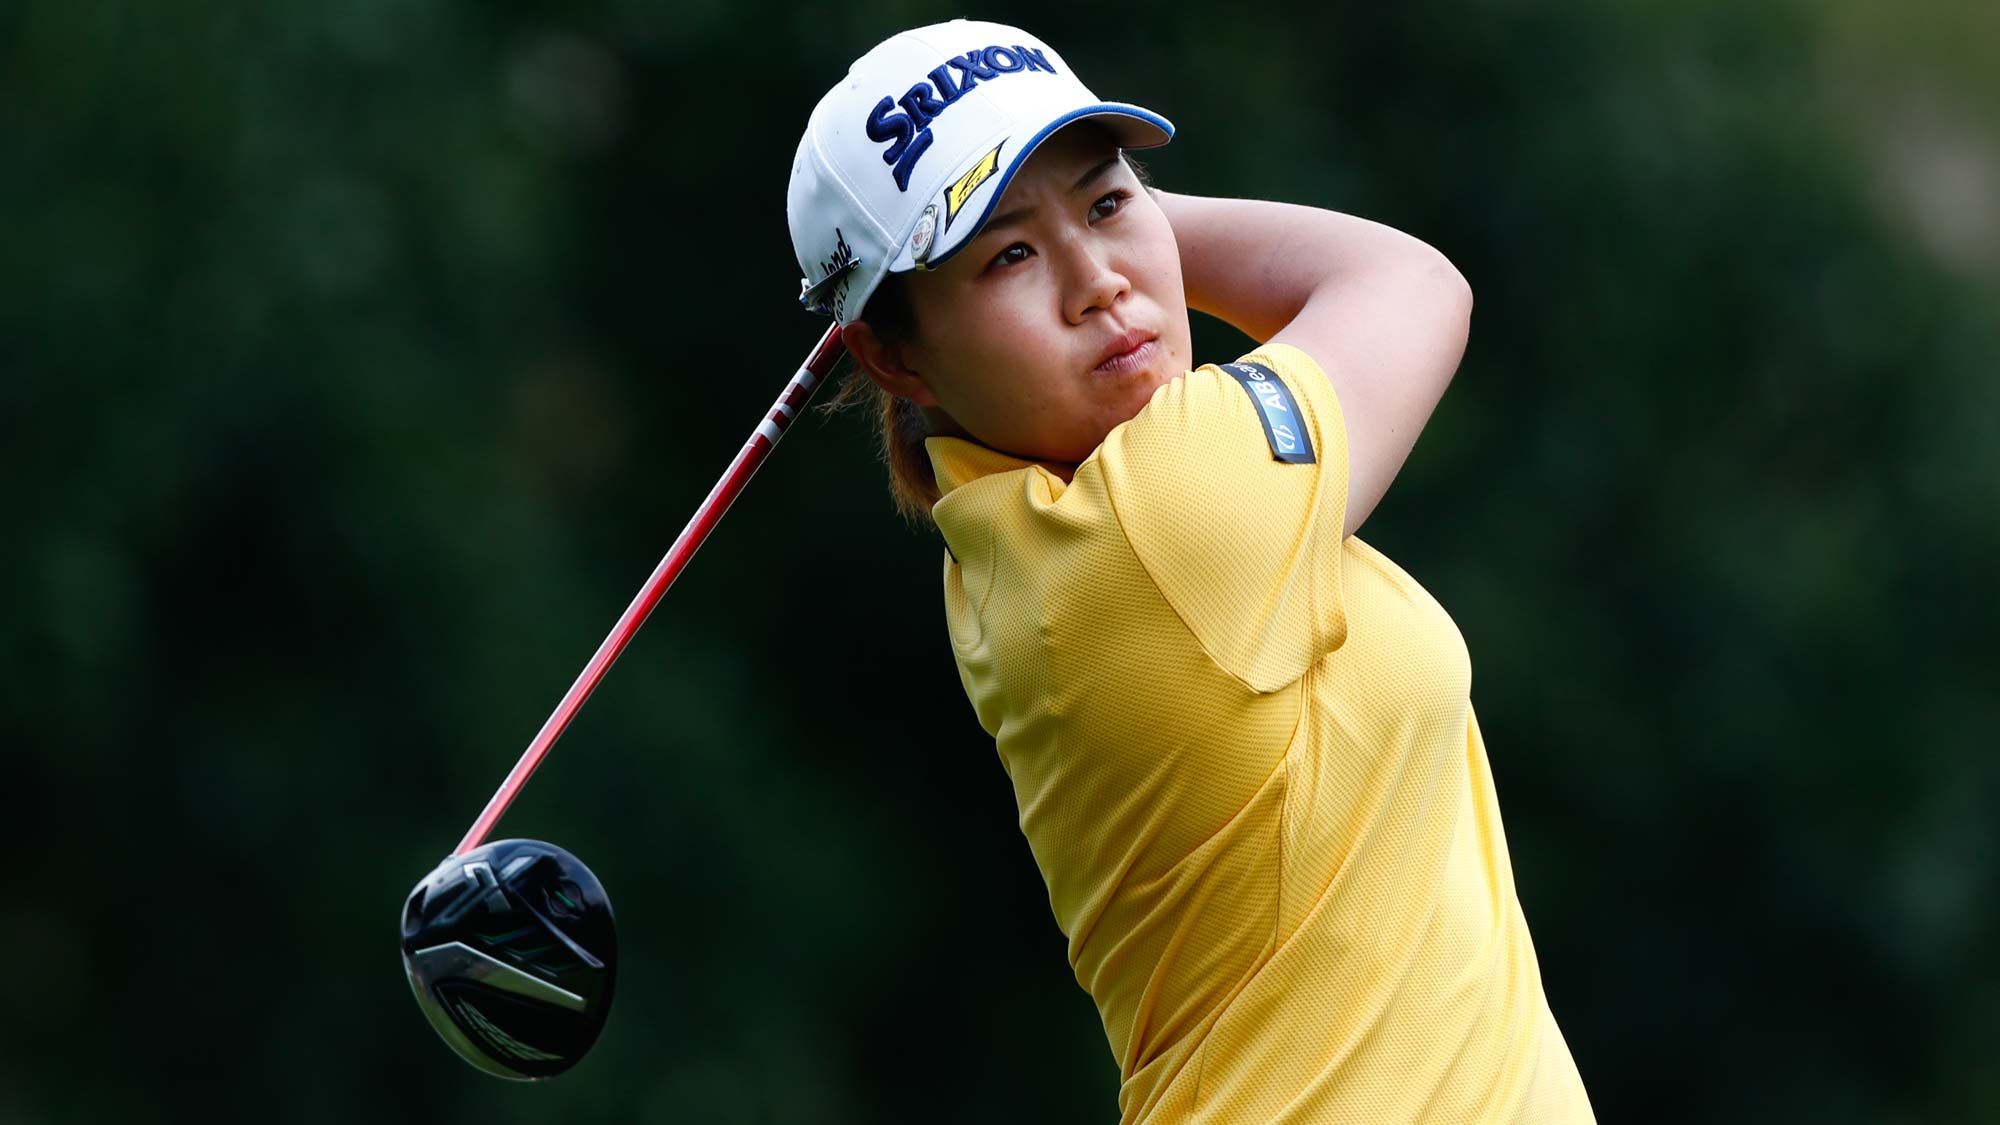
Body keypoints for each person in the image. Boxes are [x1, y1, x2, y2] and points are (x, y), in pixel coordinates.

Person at [787, 19, 1596, 1124]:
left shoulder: (1005, 533)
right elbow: (1407, 281)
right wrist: (1115, 209)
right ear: (891, 355)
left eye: (1110, 202)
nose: (1096, 284)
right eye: (1008, 255)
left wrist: (1047, 213)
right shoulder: (1159, 517)